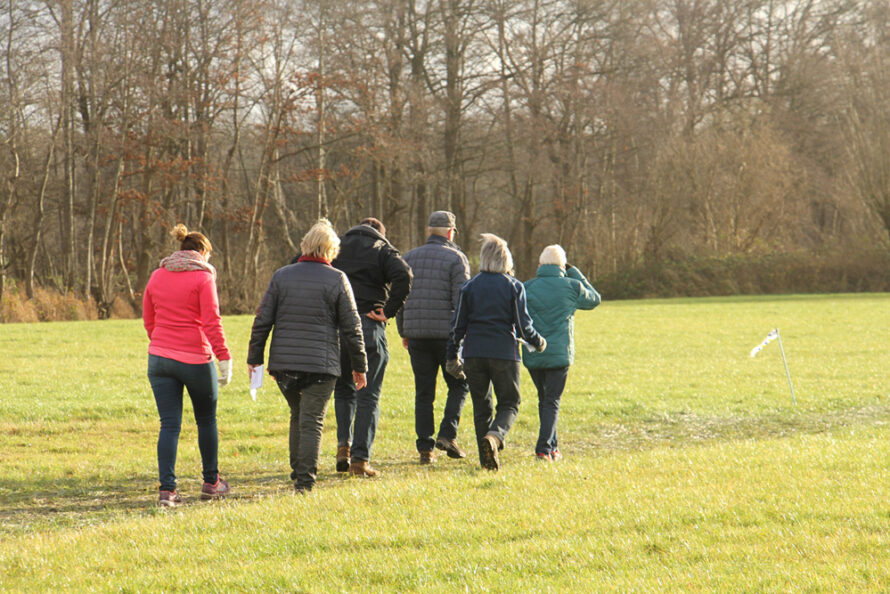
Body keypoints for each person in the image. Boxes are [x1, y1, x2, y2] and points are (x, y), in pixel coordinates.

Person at [248, 219, 368, 494]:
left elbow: (262, 320)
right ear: (331, 250)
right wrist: (360, 366)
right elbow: (352, 327)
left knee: (297, 414)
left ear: (305, 245)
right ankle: (305, 481)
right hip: (321, 365)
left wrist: (255, 357)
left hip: (285, 364)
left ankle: (298, 471)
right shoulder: (337, 279)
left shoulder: (281, 276)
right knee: (312, 420)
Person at [143, 223, 233, 507]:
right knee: (206, 420)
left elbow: (148, 318)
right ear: (203, 252)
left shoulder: (157, 275)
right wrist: (224, 357)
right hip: (195, 358)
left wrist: (161, 342)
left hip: (159, 359)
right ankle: (211, 483)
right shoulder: (203, 279)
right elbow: (211, 321)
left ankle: (167, 491)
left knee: (169, 425)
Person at [445, 233, 546, 471]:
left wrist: (451, 355)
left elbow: (457, 326)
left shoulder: (469, 287)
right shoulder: (514, 286)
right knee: (510, 402)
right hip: (504, 353)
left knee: (482, 407)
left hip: (473, 354)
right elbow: (523, 326)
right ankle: (495, 437)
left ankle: (487, 463)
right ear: (506, 260)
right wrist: (539, 342)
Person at [330, 217, 412, 477]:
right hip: (368, 325)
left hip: (337, 329)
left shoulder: (336, 245)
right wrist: (388, 311)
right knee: (369, 395)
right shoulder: (382, 249)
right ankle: (360, 460)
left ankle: (344, 445)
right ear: (381, 232)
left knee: (343, 390)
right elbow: (405, 275)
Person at [397, 210, 471, 464]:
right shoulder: (457, 259)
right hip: (446, 337)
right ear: (450, 232)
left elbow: (400, 298)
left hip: (417, 336)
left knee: (424, 393)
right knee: (460, 384)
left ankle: (425, 449)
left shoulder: (408, 258)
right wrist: (463, 335)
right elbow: (462, 300)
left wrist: (404, 331)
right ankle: (447, 435)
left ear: (429, 231)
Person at [522, 245, 601, 462]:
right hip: (559, 354)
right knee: (552, 401)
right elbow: (595, 298)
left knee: (544, 399)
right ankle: (544, 448)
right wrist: (574, 271)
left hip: (533, 352)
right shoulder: (572, 286)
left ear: (540, 265)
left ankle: (553, 448)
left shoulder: (526, 287)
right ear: (562, 266)